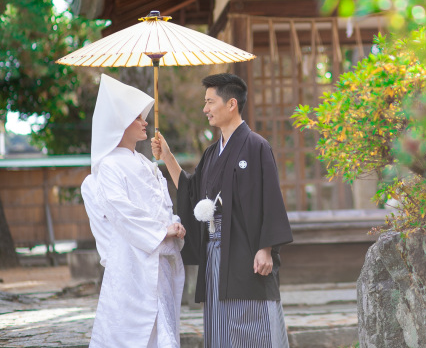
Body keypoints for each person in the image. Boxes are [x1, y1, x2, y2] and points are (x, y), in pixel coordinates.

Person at [152, 72, 293, 348]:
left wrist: (266, 248)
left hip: (247, 252)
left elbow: (271, 199)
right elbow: (191, 192)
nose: (205, 109)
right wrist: (167, 156)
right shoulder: (211, 153)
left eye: (210, 102)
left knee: (253, 327)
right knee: (220, 329)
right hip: (215, 254)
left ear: (231, 104)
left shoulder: (256, 146)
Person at [80, 74, 186, 348]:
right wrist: (161, 231)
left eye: (143, 117)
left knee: (162, 327)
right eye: (137, 118)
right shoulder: (108, 167)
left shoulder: (145, 162)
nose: (145, 122)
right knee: (131, 333)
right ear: (119, 123)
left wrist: (175, 224)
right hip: (131, 261)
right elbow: (121, 212)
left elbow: (163, 204)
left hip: (157, 258)